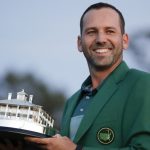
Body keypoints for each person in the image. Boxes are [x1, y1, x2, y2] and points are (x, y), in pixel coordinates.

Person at [25, 2, 150, 149]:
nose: (101, 39)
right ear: (79, 43)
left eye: (110, 31)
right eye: (91, 32)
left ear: (124, 41)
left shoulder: (143, 84)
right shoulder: (72, 102)